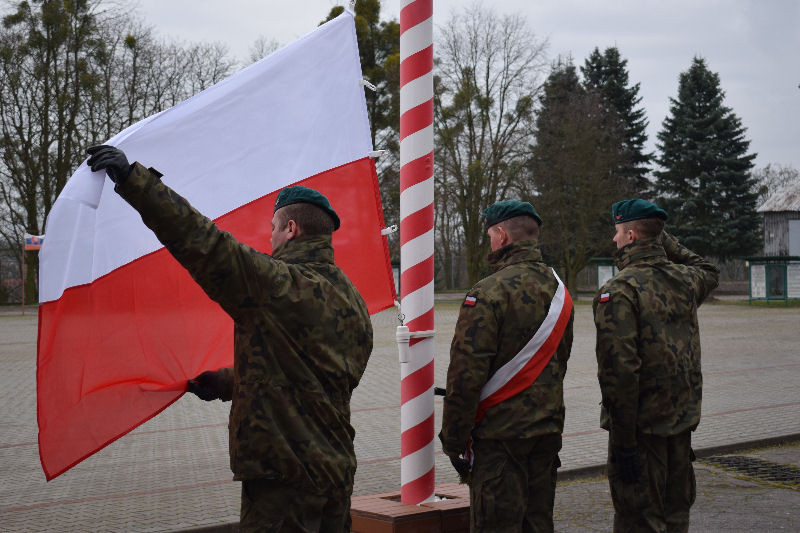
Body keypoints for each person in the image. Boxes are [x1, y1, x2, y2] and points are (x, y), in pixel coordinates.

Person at [86, 145, 373, 532]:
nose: (269, 237)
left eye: (273, 228)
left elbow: (203, 242)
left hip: (283, 483)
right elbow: (310, 376)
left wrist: (135, 181)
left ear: (291, 229)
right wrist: (227, 382)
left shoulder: (280, 285)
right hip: (335, 476)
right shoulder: (353, 301)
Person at [439, 200, 574, 532]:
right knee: (537, 523)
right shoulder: (560, 291)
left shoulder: (487, 293)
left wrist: (453, 442)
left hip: (499, 439)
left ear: (500, 235)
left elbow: (465, 377)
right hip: (546, 431)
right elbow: (562, 361)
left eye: (489, 236)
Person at [593, 198, 719, 533]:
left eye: (618, 233)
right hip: (680, 424)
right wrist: (665, 239)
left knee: (639, 518)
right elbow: (708, 270)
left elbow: (620, 373)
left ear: (632, 235)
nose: (614, 240)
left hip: (640, 431)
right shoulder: (685, 280)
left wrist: (622, 442)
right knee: (676, 515)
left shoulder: (619, 289)